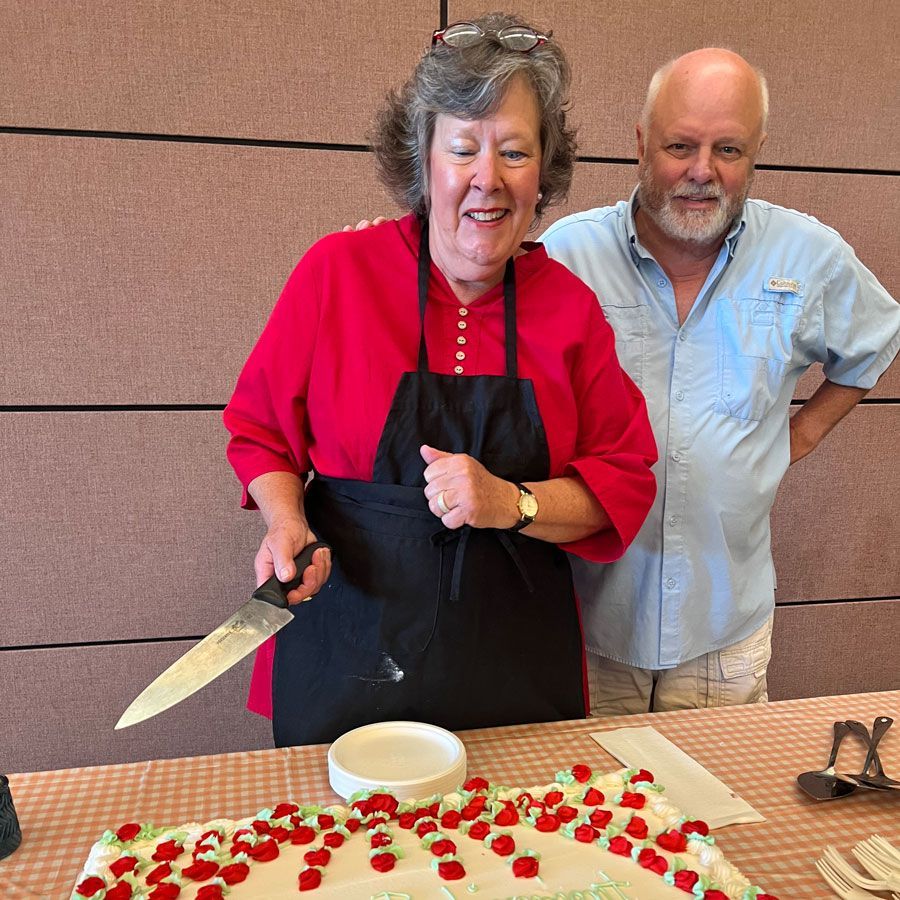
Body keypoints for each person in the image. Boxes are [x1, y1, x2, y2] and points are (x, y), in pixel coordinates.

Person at [223, 14, 657, 746]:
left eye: (515, 151)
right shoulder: (336, 274)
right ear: (422, 162)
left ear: (542, 173)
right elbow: (260, 432)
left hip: (514, 672)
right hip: (347, 652)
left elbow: (623, 482)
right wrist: (284, 520)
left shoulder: (570, 311)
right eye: (463, 148)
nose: (487, 178)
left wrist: (512, 501)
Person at [539, 48, 900, 714]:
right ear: (642, 145)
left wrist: (802, 434)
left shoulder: (808, 256)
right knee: (584, 811)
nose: (702, 172)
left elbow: (875, 343)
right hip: (584, 624)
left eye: (728, 149)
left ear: (757, 150)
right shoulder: (567, 255)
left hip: (723, 636)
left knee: (717, 817)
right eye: (681, 145)